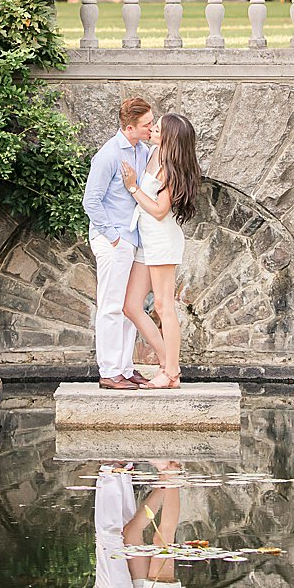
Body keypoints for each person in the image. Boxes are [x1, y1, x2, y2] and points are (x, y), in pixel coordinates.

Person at [120, 114, 200, 390]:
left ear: (170, 136)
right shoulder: (153, 152)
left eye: (159, 127)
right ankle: (169, 364)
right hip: (146, 240)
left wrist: (132, 187)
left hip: (162, 240)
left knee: (163, 306)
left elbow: (158, 211)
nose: (153, 129)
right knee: (131, 305)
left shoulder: (170, 169)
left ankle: (170, 372)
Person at [83, 98, 154, 390]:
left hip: (133, 239)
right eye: (147, 124)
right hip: (114, 240)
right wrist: (112, 236)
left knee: (129, 307)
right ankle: (109, 372)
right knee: (111, 306)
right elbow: (91, 201)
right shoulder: (108, 155)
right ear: (129, 127)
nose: (152, 127)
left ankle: (125, 368)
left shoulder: (144, 150)